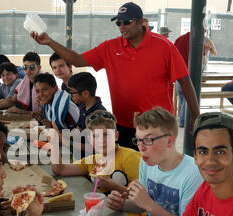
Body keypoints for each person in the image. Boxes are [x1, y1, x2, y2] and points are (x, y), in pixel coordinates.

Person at [30, 2, 199, 150]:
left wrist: (195, 115)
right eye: (118, 22)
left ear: (140, 22)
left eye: (127, 22)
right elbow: (78, 59)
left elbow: (184, 81)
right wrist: (49, 41)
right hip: (124, 125)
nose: (121, 26)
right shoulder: (110, 48)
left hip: (158, 126)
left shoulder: (164, 46)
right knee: (128, 174)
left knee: (159, 173)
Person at [107, 107, 202, 216]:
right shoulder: (147, 163)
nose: (141, 147)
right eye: (138, 139)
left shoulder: (193, 174)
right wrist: (123, 204)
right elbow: (140, 205)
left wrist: (150, 205)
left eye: (149, 140)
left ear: (170, 140)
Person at [50, 110, 140, 194]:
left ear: (116, 136)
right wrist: (54, 141)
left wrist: (115, 187)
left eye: (106, 134)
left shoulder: (130, 158)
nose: (101, 140)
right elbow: (60, 169)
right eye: (96, 136)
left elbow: (146, 197)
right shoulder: (92, 161)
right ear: (89, 139)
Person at [174, 30, 217, 127]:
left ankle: (183, 119)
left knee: (182, 98)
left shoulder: (179, 39)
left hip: (178, 73)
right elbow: (202, 59)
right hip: (190, 74)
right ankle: (183, 121)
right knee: (188, 99)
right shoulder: (198, 42)